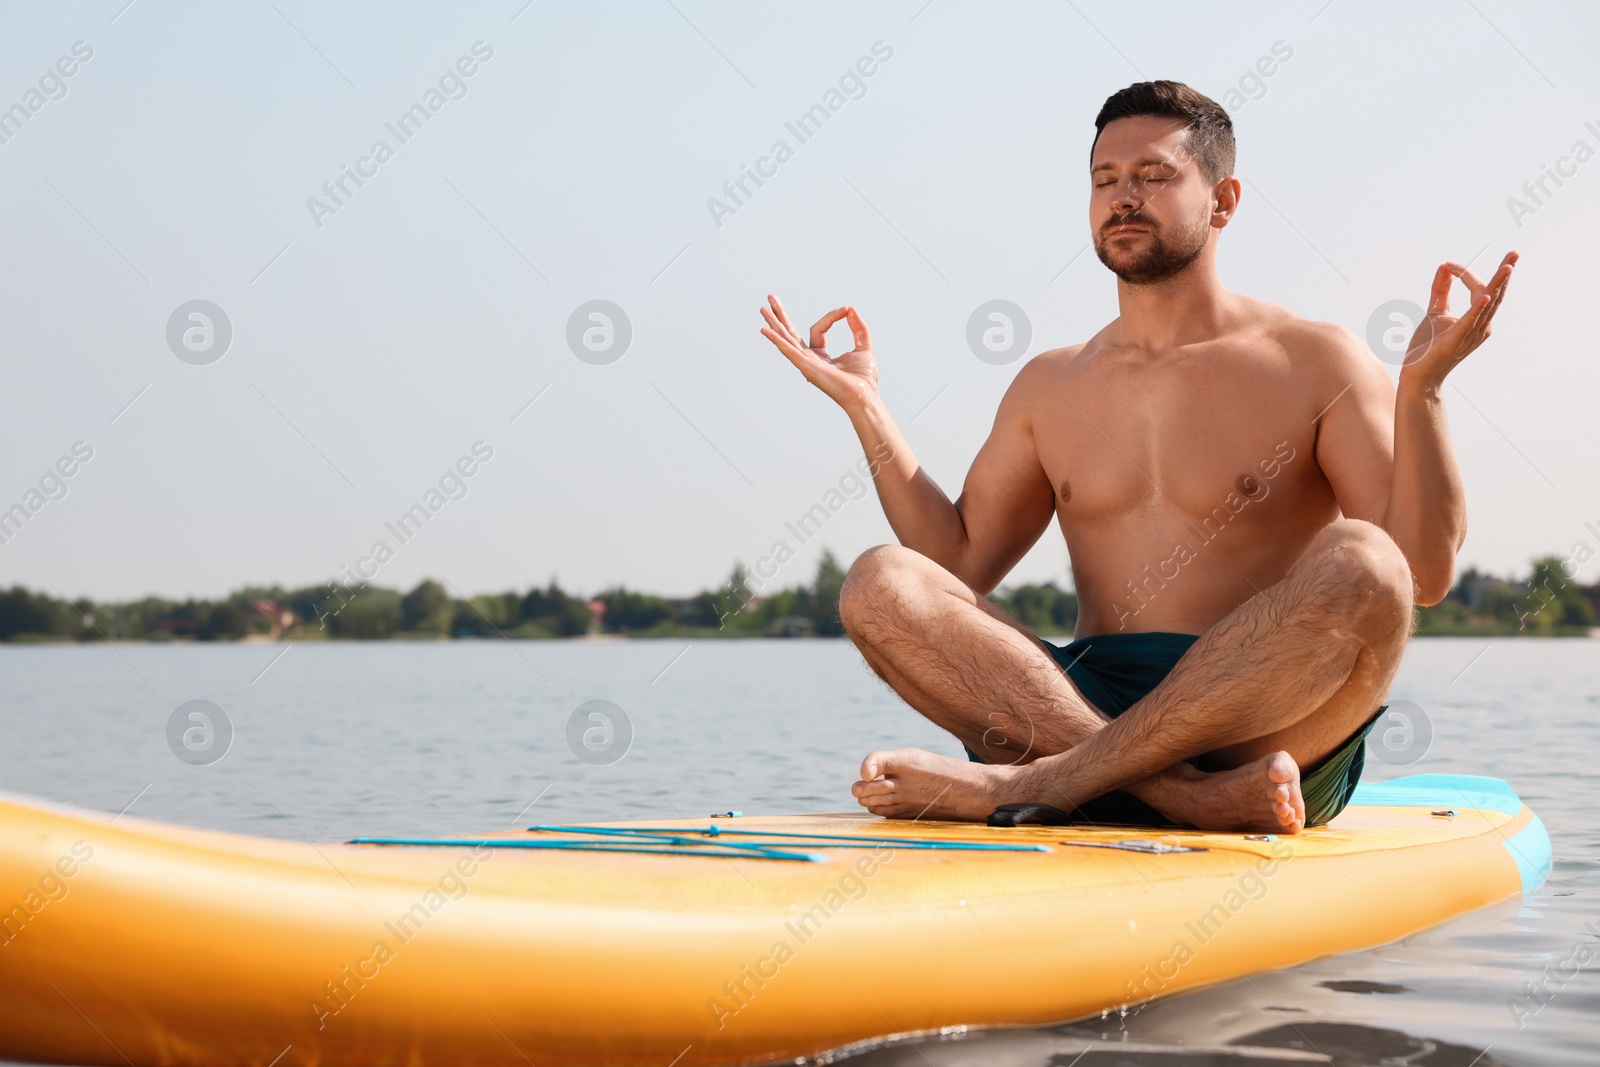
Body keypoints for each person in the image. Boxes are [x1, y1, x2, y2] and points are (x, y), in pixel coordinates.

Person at [757, 80, 1515, 834]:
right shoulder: (1050, 385)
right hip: (1070, 708)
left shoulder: (1315, 360)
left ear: (1223, 202)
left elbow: (1421, 573)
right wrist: (868, 408)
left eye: (1154, 176)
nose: (1124, 197)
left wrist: (1424, 390)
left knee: (1367, 561)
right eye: (1105, 181)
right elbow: (955, 567)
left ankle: (1035, 786)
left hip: (1264, 724)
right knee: (879, 580)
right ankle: (1179, 797)